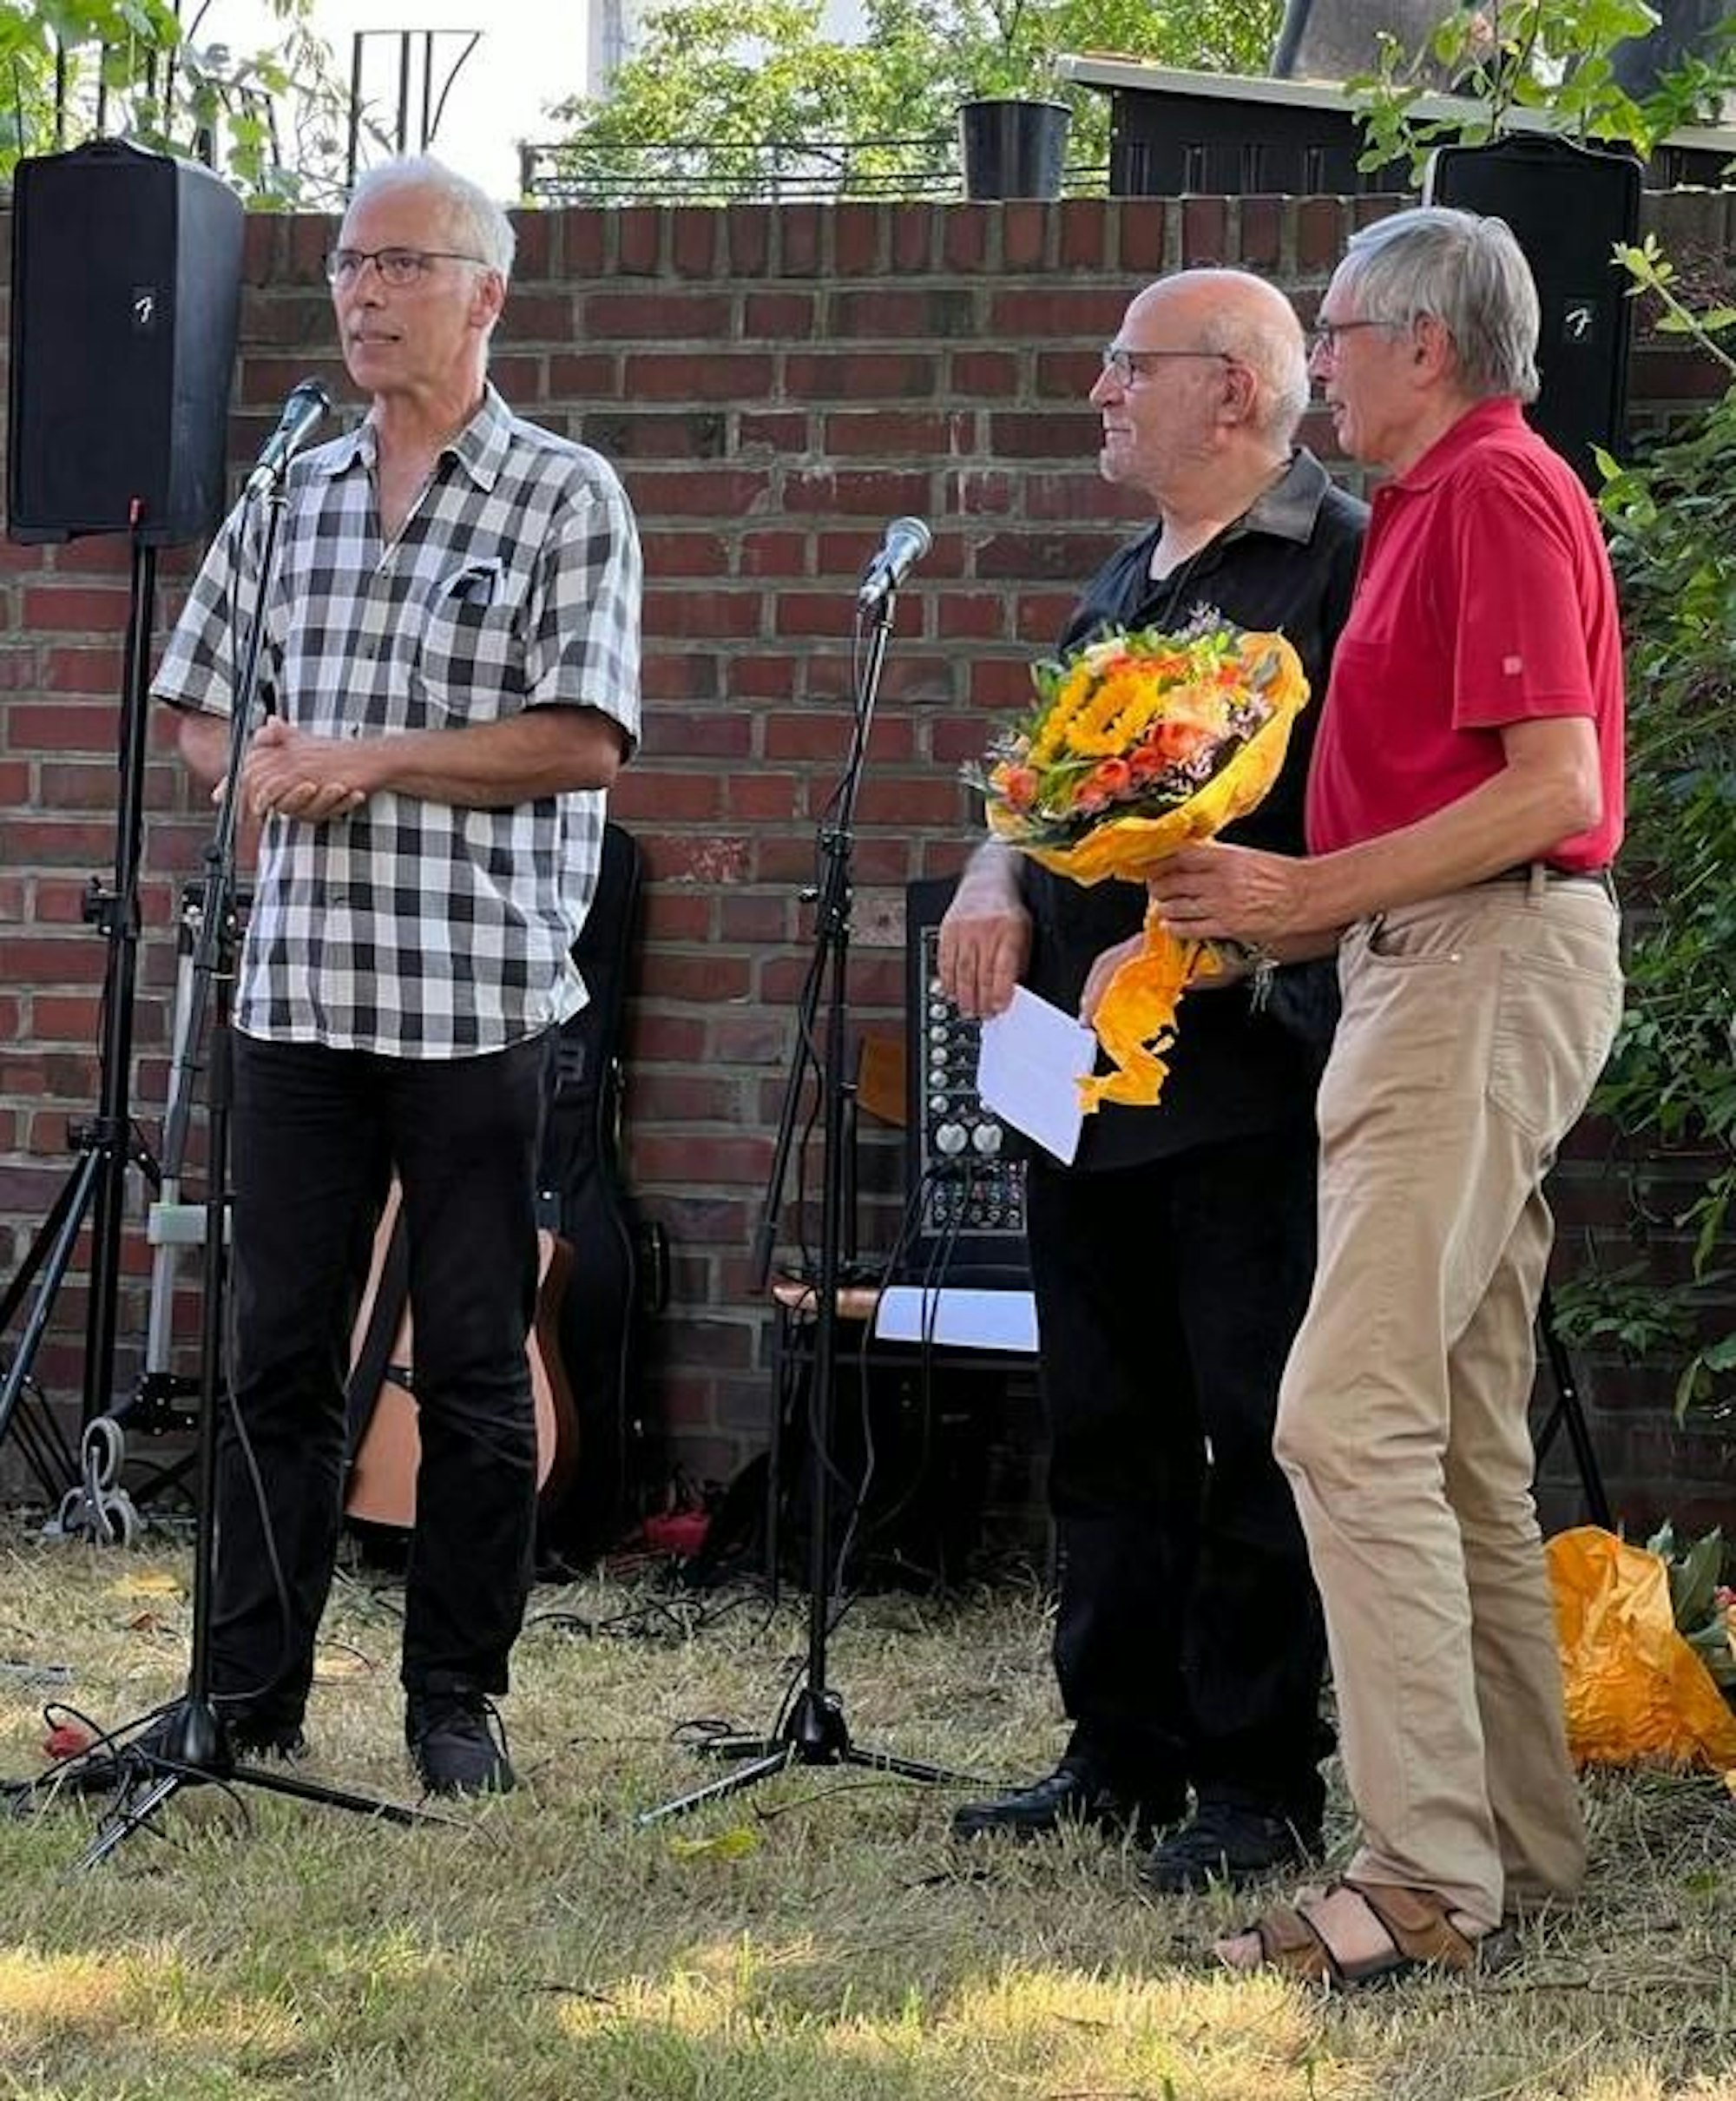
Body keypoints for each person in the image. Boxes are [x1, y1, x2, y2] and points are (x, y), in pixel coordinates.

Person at [1141, 207, 1624, 1982]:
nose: (1314, 359)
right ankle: (1515, 1839)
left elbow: (1547, 783)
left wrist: (1304, 896)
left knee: (1342, 1421)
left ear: (1424, 343)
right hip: (1455, 967)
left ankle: (1423, 1879)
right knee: (1461, 1434)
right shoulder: (1448, 497)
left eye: (1335, 331)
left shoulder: (1489, 491)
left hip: (1470, 964)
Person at [152, 155, 641, 1795]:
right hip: (294, 995)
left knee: (481, 1363)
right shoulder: (285, 484)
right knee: (274, 1358)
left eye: (401, 266)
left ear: (486, 292)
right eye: (349, 266)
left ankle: (455, 1704)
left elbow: (579, 741)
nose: (361, 295)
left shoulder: (563, 492)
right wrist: (257, 774)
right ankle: (245, 1697)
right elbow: (198, 706)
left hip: (475, 1002)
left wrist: (372, 762)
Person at [937, 268, 1367, 1891]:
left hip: (1246, 1070)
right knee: (1101, 1425)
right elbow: (1035, 789)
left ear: (1239, 391)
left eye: (1133, 366)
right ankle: (1115, 1749)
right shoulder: (1124, 573)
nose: (1103, 391)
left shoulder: (1338, 562)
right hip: (1078, 1072)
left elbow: (1353, 808)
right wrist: (991, 882)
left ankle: (1255, 1778)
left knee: (1251, 1426)